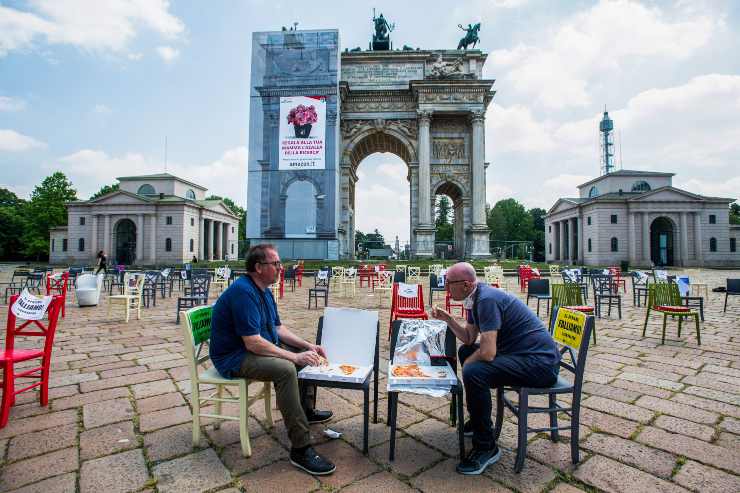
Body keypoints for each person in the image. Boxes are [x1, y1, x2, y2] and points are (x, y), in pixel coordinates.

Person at [209, 244, 336, 475]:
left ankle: (305, 410)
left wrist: (308, 346)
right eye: (275, 264)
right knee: (287, 368)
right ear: (258, 267)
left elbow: (277, 328)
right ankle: (300, 448)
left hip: (251, 347)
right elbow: (253, 342)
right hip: (234, 357)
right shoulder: (243, 292)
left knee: (306, 356)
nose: (281, 268)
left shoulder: (265, 290)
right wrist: (294, 356)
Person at [432, 262, 560, 475]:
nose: (445, 288)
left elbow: (488, 353)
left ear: (465, 284)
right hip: (520, 355)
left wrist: (469, 369)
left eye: (448, 283)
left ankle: (486, 446)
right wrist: (448, 319)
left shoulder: (487, 300)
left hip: (540, 364)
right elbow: (469, 338)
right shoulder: (473, 298)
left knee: (473, 372)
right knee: (466, 352)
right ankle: (478, 417)